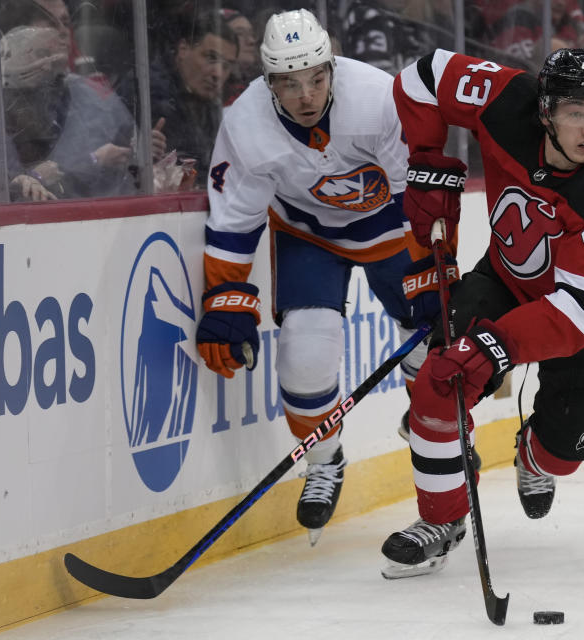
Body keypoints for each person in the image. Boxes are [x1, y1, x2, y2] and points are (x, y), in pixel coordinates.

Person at [379, 47, 584, 576]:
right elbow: (424, 76)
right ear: (545, 110)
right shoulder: (505, 99)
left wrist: (496, 345)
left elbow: (583, 312)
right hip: (508, 282)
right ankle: (442, 519)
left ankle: (535, 453)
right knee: (441, 379)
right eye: (575, 112)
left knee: (562, 455)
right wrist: (427, 159)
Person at [196, 9, 432, 544]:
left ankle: (428, 418)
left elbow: (417, 191)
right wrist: (224, 295)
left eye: (316, 79)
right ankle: (324, 460)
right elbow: (235, 217)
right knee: (303, 360)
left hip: (394, 230)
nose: (305, 95)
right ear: (267, 79)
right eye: (288, 82)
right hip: (309, 236)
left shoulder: (378, 97)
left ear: (331, 66)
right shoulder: (246, 122)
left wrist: (432, 271)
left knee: (432, 335)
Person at [0, 25, 139, 200]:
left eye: (36, 94)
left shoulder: (72, 101)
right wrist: (34, 179)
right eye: (19, 96)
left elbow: (83, 185)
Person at [125, 10, 239, 184]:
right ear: (183, 49)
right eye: (211, 58)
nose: (218, 73)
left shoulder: (206, 102)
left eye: (226, 66)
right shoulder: (147, 93)